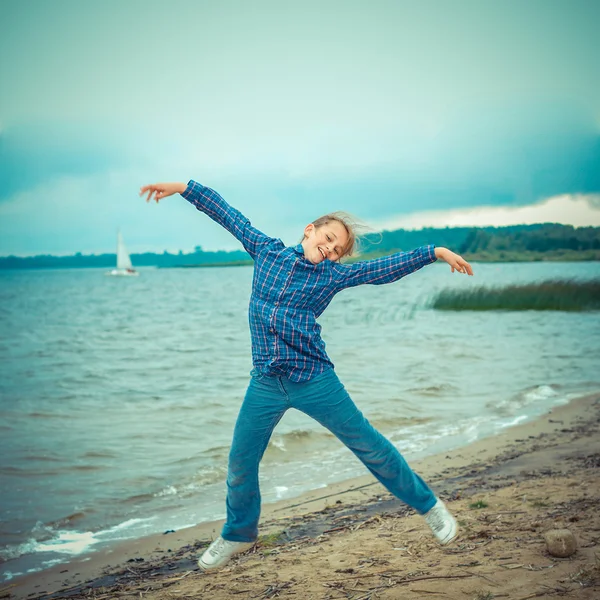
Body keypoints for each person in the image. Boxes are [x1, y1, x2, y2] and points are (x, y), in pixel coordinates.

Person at [140, 180, 474, 572]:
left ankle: (431, 508)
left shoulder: (331, 276)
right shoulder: (266, 252)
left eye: (338, 248)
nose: (332, 248)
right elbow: (227, 214)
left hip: (314, 378)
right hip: (265, 381)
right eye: (329, 237)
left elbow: (382, 269)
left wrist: (434, 252)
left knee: (370, 446)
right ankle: (238, 534)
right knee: (240, 462)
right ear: (309, 230)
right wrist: (183, 187)